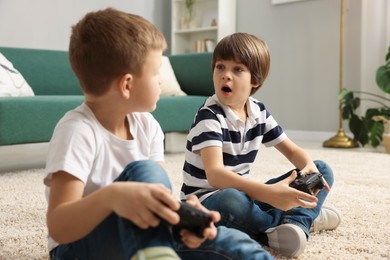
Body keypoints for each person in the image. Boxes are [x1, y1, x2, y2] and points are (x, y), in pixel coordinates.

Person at [44, 8, 274, 260]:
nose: (161, 82)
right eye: (156, 73)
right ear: (127, 85)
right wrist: (113, 197)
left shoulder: (148, 127)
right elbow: (59, 225)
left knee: (230, 241)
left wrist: (182, 215)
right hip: (80, 247)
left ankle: (158, 249)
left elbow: (160, 200)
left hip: (146, 235)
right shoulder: (77, 131)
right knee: (145, 171)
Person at [180, 32, 341, 258]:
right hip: (209, 201)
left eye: (237, 70)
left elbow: (293, 150)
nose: (226, 75)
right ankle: (291, 222)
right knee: (231, 200)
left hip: (247, 194)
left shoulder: (258, 111)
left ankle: (293, 223)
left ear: (255, 80)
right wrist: (268, 193)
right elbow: (215, 176)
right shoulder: (209, 116)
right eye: (220, 67)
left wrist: (306, 167)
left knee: (321, 169)